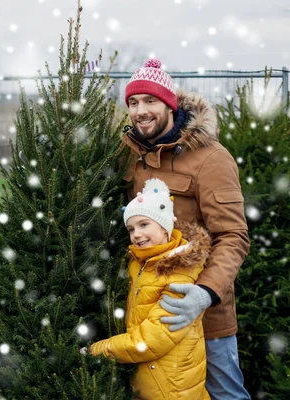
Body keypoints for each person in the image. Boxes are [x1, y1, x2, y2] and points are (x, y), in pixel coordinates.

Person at [120, 58, 251, 399]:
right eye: (133, 103)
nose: (140, 111)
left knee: (225, 393)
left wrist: (203, 295)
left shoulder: (211, 158)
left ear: (170, 104)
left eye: (150, 101)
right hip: (150, 316)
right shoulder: (134, 157)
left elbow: (233, 237)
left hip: (206, 316)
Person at [88, 178, 211, 399]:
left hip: (170, 388)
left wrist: (97, 350)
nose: (136, 234)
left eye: (144, 224)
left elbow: (150, 341)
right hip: (151, 379)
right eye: (131, 228)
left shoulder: (179, 271)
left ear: (165, 227)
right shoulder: (140, 261)